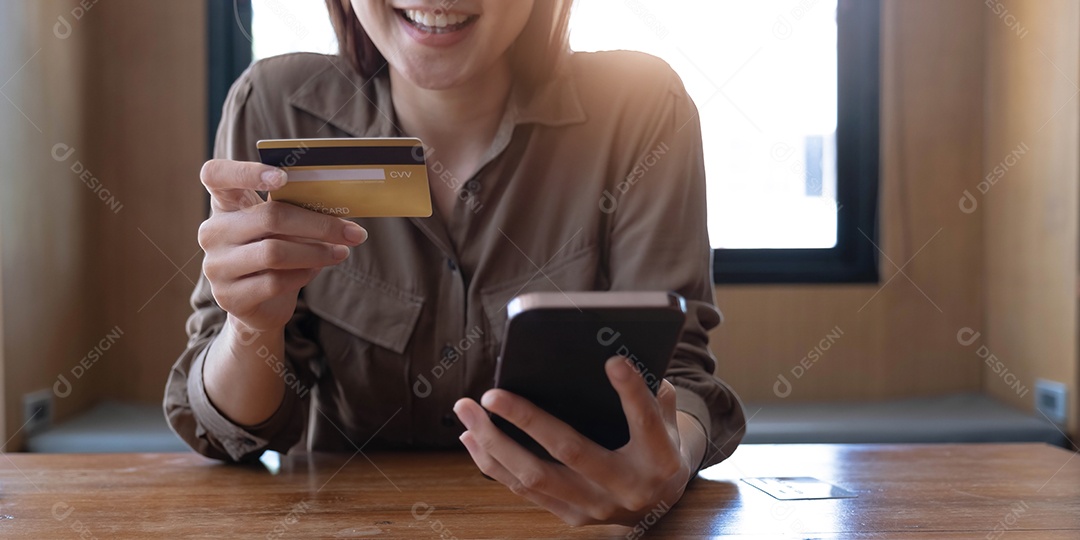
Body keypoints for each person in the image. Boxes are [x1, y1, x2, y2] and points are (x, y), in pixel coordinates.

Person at [165, 0, 745, 527]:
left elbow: (680, 379)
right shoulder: (273, 104)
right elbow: (227, 434)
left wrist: (670, 463)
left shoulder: (641, 106)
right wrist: (250, 327)